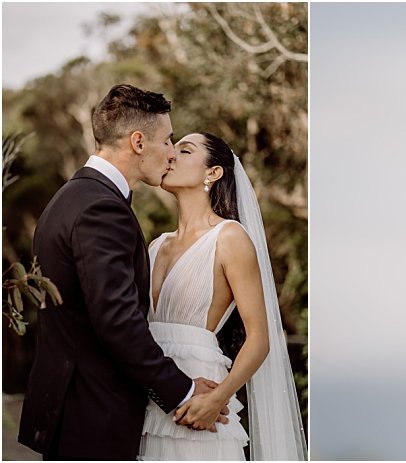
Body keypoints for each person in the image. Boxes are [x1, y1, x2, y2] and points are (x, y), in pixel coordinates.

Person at [18, 84, 224, 460]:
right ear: (138, 142)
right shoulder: (102, 209)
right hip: (93, 417)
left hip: (73, 412)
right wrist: (183, 391)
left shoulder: (69, 198)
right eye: (167, 140)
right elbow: (117, 321)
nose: (171, 152)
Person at [138, 132, 307, 460]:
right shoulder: (155, 246)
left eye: (185, 150)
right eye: (172, 148)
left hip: (204, 397)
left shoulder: (229, 237)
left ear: (213, 173)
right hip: (152, 398)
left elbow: (260, 337)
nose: (171, 155)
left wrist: (218, 399)